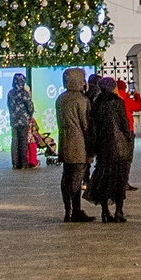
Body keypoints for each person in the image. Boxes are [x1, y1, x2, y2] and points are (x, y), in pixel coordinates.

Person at [85, 64, 134, 222]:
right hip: (119, 147)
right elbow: (124, 124)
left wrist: (93, 147)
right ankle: (119, 211)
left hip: (104, 147)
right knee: (119, 179)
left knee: (105, 179)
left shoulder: (97, 104)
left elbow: (93, 128)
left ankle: (105, 212)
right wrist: (128, 137)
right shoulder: (118, 102)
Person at [56, 67, 93, 222]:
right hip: (78, 143)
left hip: (65, 141)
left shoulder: (60, 99)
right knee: (76, 178)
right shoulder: (81, 100)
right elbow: (86, 124)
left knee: (67, 176)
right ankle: (76, 210)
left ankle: (67, 209)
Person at [8, 71, 37, 169]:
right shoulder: (24, 94)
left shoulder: (10, 93)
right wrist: (29, 115)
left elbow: (9, 106)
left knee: (15, 142)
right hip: (24, 121)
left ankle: (15, 163)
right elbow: (30, 107)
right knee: (23, 142)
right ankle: (23, 163)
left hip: (14, 121)